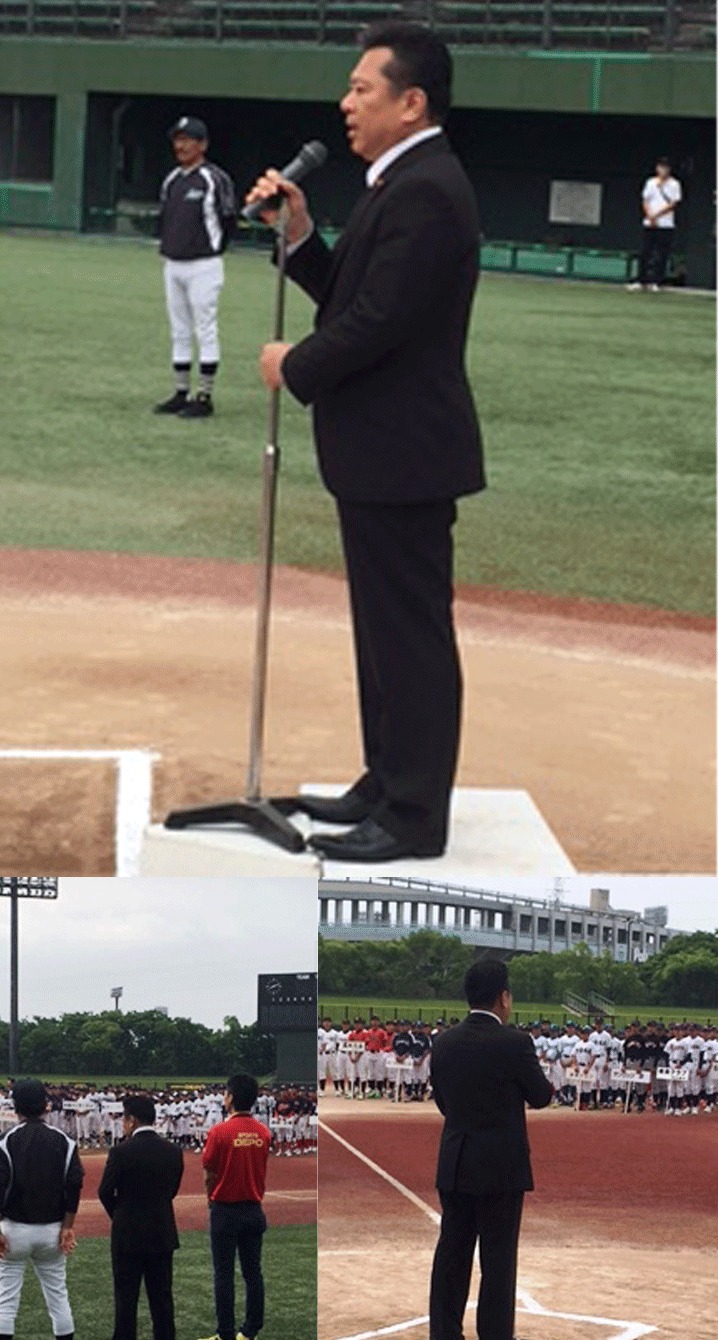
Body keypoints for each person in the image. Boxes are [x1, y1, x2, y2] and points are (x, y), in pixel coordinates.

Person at [248, 21, 484, 863]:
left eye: (362, 90)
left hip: (406, 450)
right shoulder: (402, 182)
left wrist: (294, 364)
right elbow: (355, 294)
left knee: (409, 633)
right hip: (385, 450)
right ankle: (387, 780)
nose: (346, 104)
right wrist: (303, 234)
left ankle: (416, 813)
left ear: (411, 102)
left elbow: (379, 324)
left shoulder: (426, 188)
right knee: (381, 630)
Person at [428, 959, 552, 1340]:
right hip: (500, 1166)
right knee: (498, 1260)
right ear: (503, 997)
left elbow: (444, 1102)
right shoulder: (514, 1043)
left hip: (456, 1160)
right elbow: (541, 1096)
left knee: (452, 1254)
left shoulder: (444, 1043)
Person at [0, 1078, 84, 1340]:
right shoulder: (64, 1140)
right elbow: (74, 1186)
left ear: (14, 1107)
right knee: (58, 1297)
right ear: (45, 1105)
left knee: (6, 1302)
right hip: (53, 1228)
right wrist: (68, 1226)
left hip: (15, 1229)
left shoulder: (5, 1140)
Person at [154, 115, 236, 418]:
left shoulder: (213, 178)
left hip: (203, 264)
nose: (181, 145)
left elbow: (228, 218)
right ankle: (180, 391)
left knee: (205, 328)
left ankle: (204, 396)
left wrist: (213, 249)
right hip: (173, 264)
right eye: (178, 139)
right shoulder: (172, 179)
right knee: (179, 329)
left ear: (202, 144)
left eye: (188, 139)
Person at [97, 1093, 184, 1340]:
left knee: (126, 1296)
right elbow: (172, 1189)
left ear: (132, 1120)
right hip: (161, 1229)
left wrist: (120, 1214)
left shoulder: (121, 1152)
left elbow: (104, 1191)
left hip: (128, 1233)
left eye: (124, 1119)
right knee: (161, 1296)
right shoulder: (172, 1150)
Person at [196, 1072, 272, 1340]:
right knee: (254, 1273)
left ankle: (225, 1335)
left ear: (230, 1098)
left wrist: (210, 1198)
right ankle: (250, 1332)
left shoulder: (219, 1131)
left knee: (224, 1273)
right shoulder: (263, 1131)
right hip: (254, 1208)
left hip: (225, 1209)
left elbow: (209, 1171)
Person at [627, 157, 682, 291]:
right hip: (649, 223)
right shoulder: (651, 182)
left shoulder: (674, 184)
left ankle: (657, 282)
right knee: (645, 251)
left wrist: (656, 215)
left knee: (661, 253)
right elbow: (645, 200)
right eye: (661, 167)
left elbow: (673, 204)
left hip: (665, 224)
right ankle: (641, 280)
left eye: (666, 168)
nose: (663, 170)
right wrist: (649, 216)